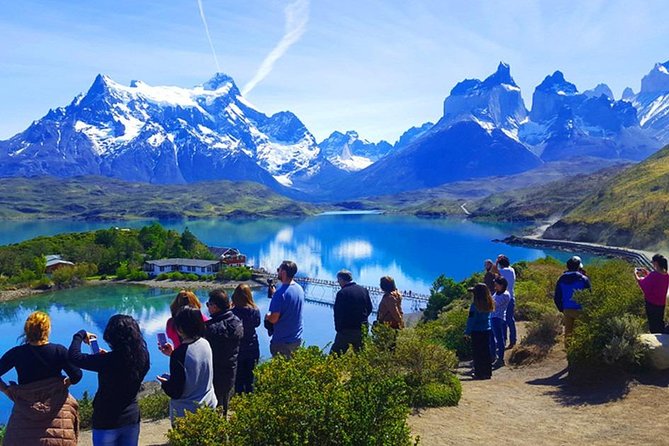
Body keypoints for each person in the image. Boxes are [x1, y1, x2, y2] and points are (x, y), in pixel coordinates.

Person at [0, 311, 81, 445]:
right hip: (57, 407)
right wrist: (66, 382)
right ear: (47, 329)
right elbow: (77, 375)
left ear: (27, 331)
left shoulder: (16, 353)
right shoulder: (58, 351)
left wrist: (6, 390)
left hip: (24, 409)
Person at [69, 314, 150, 446]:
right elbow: (123, 364)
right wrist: (106, 358)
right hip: (131, 417)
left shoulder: (106, 361)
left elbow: (74, 357)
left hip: (106, 419)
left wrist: (80, 334)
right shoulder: (143, 356)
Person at [158, 307, 217, 424]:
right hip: (209, 403)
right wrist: (173, 353)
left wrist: (165, 383)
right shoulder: (205, 343)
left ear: (179, 329)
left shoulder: (179, 355)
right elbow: (194, 367)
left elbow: (176, 391)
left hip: (186, 412)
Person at [204, 289, 243, 414]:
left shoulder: (211, 328)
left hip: (215, 372)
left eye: (208, 304)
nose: (208, 307)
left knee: (213, 405)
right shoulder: (237, 321)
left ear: (214, 307)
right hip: (231, 368)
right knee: (224, 401)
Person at [265, 260, 304, 358]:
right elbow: (287, 302)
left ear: (283, 272)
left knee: (281, 371)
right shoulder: (299, 288)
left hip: (282, 342)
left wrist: (267, 317)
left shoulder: (279, 294)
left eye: (278, 269)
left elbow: (274, 318)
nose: (277, 272)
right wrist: (275, 294)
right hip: (296, 338)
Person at [331, 270, 373, 355]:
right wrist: (363, 319)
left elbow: (338, 313)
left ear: (342, 280)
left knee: (335, 356)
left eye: (338, 280)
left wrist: (338, 328)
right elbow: (369, 308)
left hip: (346, 329)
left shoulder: (342, 293)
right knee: (361, 355)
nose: (338, 283)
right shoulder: (363, 290)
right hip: (362, 327)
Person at [554, 256, 592, 345]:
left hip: (567, 309)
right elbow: (589, 296)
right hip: (581, 310)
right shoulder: (584, 279)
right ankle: (578, 354)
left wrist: (562, 309)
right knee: (580, 335)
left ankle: (568, 353)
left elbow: (557, 297)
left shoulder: (561, 279)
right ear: (579, 267)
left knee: (568, 334)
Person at [231, 284, 261, 393]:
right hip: (252, 347)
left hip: (239, 349)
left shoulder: (233, 313)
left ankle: (239, 402)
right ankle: (250, 402)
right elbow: (257, 324)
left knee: (238, 379)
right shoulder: (255, 310)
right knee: (250, 379)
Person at [465, 284, 494, 380]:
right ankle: (487, 373)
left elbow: (471, 320)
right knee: (486, 352)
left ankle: (479, 373)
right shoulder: (489, 303)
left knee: (477, 353)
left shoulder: (475, 306)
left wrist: (467, 332)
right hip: (487, 330)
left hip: (476, 331)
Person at [635, 254, 669, 334]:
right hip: (661, 304)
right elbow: (656, 282)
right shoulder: (666, 275)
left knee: (653, 324)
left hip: (652, 304)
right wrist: (647, 274)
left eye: (652, 262)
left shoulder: (653, 275)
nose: (652, 263)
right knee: (659, 321)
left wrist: (636, 275)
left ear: (656, 263)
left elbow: (643, 284)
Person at [496, 255, 517, 348]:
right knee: (510, 319)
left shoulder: (502, 271)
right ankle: (513, 340)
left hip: (503, 298)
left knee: (503, 320)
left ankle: (503, 340)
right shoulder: (512, 270)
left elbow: (493, 271)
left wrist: (496, 262)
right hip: (511, 297)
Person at [489, 276, 511, 367]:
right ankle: (493, 356)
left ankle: (500, 359)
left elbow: (494, 305)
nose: (495, 285)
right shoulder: (497, 293)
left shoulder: (505, 294)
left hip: (498, 318)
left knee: (499, 339)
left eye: (496, 284)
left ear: (501, 285)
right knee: (492, 338)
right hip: (494, 317)